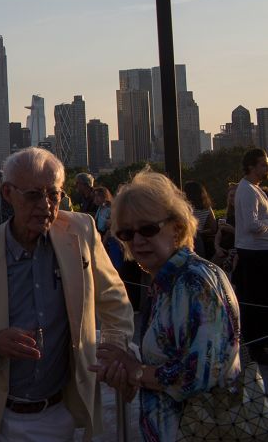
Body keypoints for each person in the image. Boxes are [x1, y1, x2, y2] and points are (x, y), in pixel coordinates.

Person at [0, 147, 133, 442]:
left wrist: (116, 349)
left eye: (54, 194)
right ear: (7, 194)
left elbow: (115, 300)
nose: (46, 205)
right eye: (33, 195)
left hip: (58, 414)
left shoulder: (80, 233)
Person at [94, 170, 241, 442]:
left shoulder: (193, 281)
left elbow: (200, 374)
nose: (137, 241)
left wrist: (136, 370)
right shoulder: (166, 284)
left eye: (148, 229)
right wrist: (130, 375)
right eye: (127, 233)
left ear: (177, 227)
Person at [233, 147, 268, 363]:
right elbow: (252, 224)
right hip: (255, 253)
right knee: (256, 298)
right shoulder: (246, 190)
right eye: (263, 164)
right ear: (251, 166)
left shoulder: (254, 189)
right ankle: (256, 345)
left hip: (259, 251)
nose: (266, 168)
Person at [183, 180, 216, 260]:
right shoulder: (207, 208)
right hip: (199, 241)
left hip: (186, 239)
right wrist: (200, 232)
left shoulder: (185, 207)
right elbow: (213, 228)